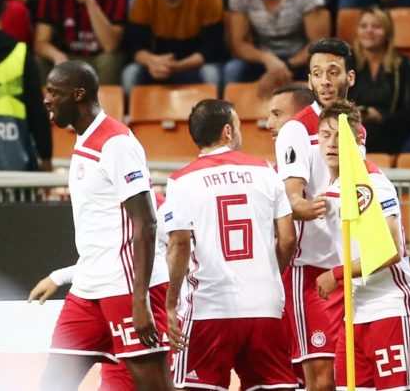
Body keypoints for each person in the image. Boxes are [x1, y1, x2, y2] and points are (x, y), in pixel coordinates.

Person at [41, 60, 172, 390]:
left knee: (154, 386)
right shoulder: (85, 138)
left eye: (54, 92)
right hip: (88, 288)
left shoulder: (116, 143)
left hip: (124, 288)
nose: (46, 99)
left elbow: (146, 222)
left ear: (78, 94)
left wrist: (140, 300)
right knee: (53, 384)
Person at [164, 99, 298, 391]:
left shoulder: (181, 181)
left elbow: (179, 244)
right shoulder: (266, 171)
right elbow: (288, 238)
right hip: (265, 307)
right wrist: (268, 275)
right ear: (227, 131)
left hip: (210, 308)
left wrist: (170, 304)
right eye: (238, 126)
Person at [314, 99, 410, 390]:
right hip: (355, 313)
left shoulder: (371, 183)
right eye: (325, 135)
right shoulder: (334, 187)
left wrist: (337, 274)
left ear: (357, 140)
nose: (332, 143)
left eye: (340, 136)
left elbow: (390, 249)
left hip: (390, 309)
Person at [275, 37, 358, 391]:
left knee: (349, 376)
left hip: (348, 269)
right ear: (309, 80)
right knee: (321, 379)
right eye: (317, 73)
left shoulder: (356, 128)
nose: (325, 81)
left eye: (333, 72)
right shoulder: (296, 129)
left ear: (350, 78)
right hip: (310, 271)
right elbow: (291, 197)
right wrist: (303, 207)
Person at [28, 191, 171, 391]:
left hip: (132, 298)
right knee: (56, 383)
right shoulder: (96, 196)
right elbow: (106, 259)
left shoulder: (152, 203)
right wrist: (59, 277)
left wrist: (150, 301)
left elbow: (179, 250)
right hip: (98, 296)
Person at [123, 0, 224, 95]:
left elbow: (212, 49)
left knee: (211, 73)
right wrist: (152, 61)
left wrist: (178, 67)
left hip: (194, 65)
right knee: (130, 73)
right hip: (157, 65)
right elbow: (135, 47)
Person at [0, 0, 51, 171]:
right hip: (16, 166)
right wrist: (46, 158)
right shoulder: (20, 54)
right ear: (5, 7)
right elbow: (37, 112)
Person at [349, 6, 410, 153]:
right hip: (353, 129)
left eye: (376, 27)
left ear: (387, 32)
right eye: (364, 26)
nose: (369, 31)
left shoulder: (404, 66)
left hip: (391, 131)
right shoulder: (348, 63)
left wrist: (382, 118)